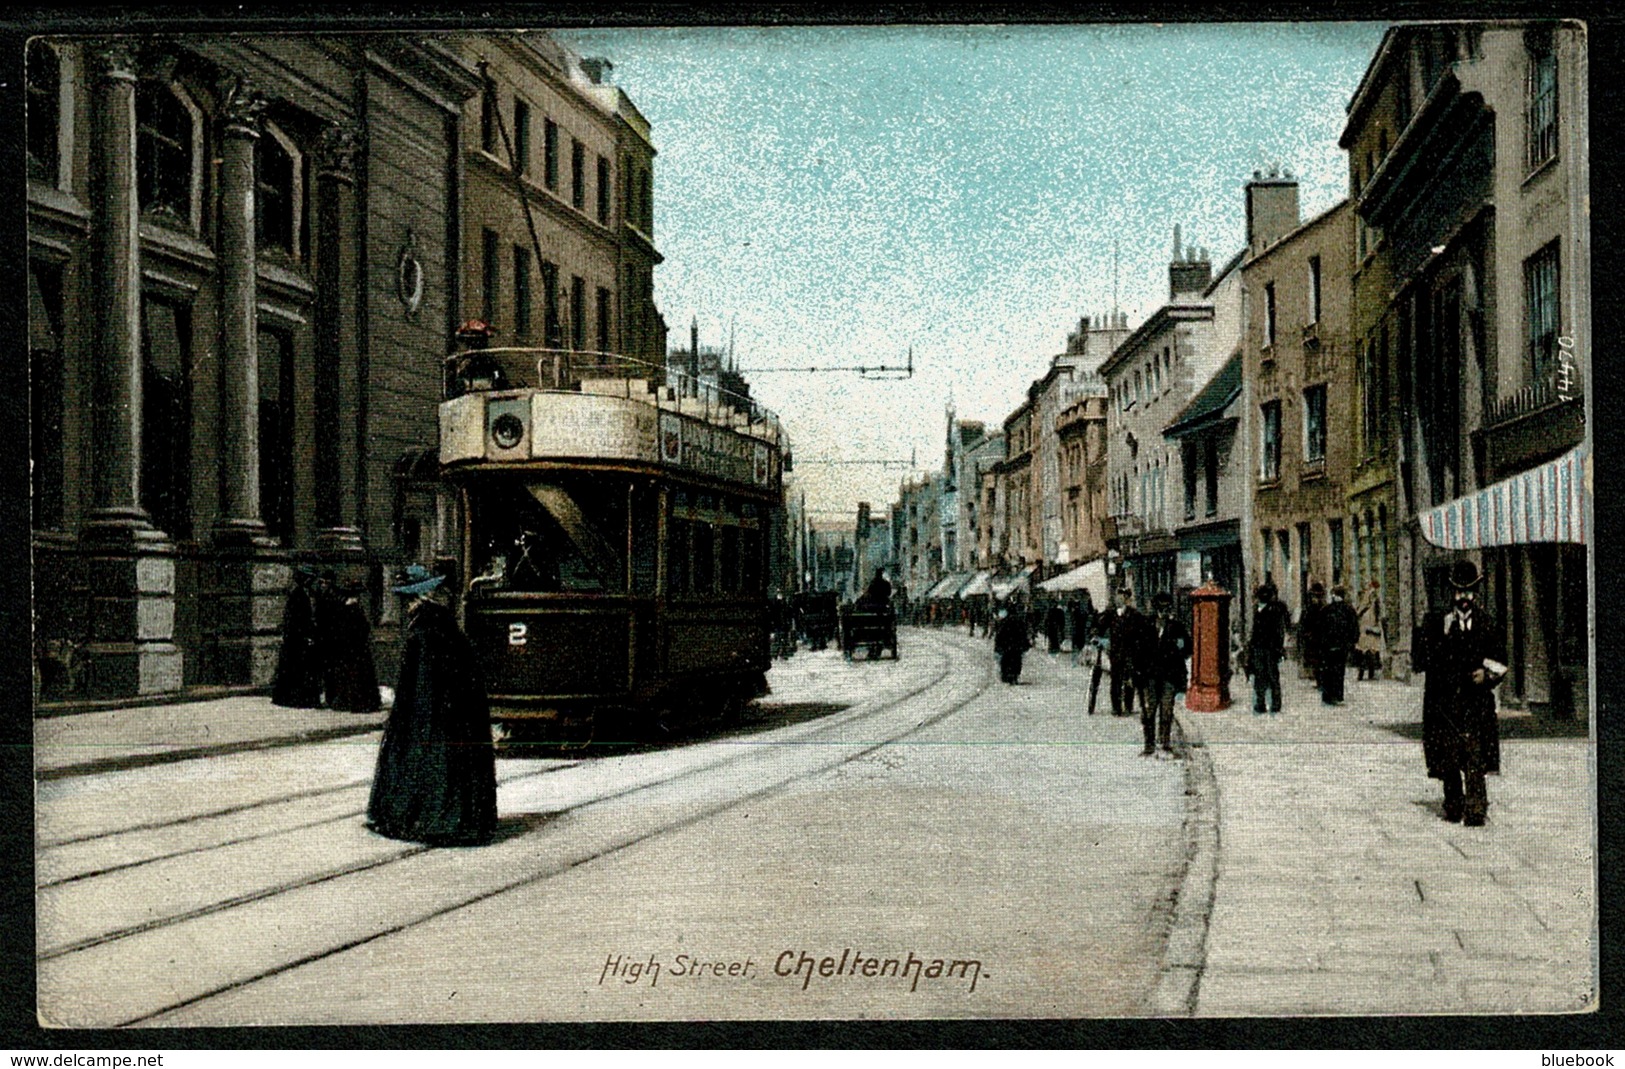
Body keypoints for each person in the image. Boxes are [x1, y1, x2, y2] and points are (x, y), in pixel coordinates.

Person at [366, 563, 498, 846]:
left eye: (406, 601)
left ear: (414, 600)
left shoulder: (422, 631)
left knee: (427, 762)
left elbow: (423, 685)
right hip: (457, 712)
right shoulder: (443, 622)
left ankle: (431, 819)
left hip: (433, 713)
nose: (405, 607)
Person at [1412, 559, 1506, 826]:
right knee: (1449, 756)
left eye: (1468, 592)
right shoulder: (1437, 622)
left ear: (1475, 593)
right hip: (1445, 703)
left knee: (1475, 755)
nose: (1463, 598)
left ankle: (1476, 808)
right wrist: (1437, 634)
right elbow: (1421, 661)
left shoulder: (1486, 623)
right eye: (1459, 592)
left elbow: (1500, 661)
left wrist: (1485, 676)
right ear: (1451, 593)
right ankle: (1453, 803)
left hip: (1475, 702)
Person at [322, 580, 382, 712]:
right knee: (358, 676)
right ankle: (360, 703)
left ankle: (347, 702)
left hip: (348, 647)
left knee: (348, 675)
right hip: (357, 648)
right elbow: (361, 628)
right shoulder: (354, 607)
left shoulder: (343, 607)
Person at [1143, 593, 1190, 758]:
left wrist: (1180, 649)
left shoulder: (1177, 627)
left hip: (1169, 675)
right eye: (1161, 608)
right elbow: (1140, 649)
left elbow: (1188, 649)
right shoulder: (1147, 625)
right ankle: (1149, 744)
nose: (1164, 611)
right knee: (1150, 711)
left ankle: (1164, 743)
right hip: (1151, 676)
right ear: (1156, 608)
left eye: (1166, 607)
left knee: (1166, 710)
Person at [271, 566, 324, 708]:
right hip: (297, 641)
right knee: (296, 671)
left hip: (304, 640)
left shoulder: (309, 594)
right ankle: (294, 699)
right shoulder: (297, 595)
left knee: (305, 671)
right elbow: (295, 620)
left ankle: (305, 699)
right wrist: (305, 636)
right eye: (309, 578)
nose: (311, 581)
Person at [1245, 583, 1290, 714]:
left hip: (1269, 649)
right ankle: (1261, 704)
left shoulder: (1273, 610)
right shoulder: (1258, 610)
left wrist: (1278, 648)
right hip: (1260, 648)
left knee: (1270, 677)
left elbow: (1278, 632)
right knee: (1261, 677)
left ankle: (1273, 704)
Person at [1107, 589, 1149, 717]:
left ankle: (1128, 706)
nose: (1117, 599)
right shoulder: (1111, 614)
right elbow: (1100, 625)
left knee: (1129, 679)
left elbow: (1143, 631)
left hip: (1130, 652)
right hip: (1115, 652)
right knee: (1115, 680)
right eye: (1117, 596)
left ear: (1126, 598)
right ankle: (1116, 707)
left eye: (1120, 596)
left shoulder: (1135, 615)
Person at [1318, 585, 1361, 706]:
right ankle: (1337, 694)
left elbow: (1320, 628)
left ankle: (1328, 695)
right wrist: (1352, 642)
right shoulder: (1349, 610)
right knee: (1339, 671)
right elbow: (1354, 628)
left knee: (1327, 670)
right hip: (1341, 645)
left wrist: (1321, 643)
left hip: (1328, 645)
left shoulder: (1327, 609)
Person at [1355, 579, 1386, 680]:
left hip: (1369, 628)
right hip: (1369, 628)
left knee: (1367, 652)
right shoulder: (1372, 599)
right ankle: (1367, 673)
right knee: (1369, 651)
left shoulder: (1371, 599)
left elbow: (1360, 611)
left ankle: (1364, 673)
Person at [993, 604, 1031, 684]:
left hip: (1007, 646)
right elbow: (1023, 634)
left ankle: (1007, 676)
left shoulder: (1004, 621)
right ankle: (1014, 676)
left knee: (1006, 661)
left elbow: (1000, 634)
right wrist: (1025, 644)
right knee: (1016, 661)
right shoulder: (1019, 621)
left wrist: (998, 646)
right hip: (1016, 646)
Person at [1298, 582, 1327, 682]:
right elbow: (1303, 623)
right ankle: (1316, 674)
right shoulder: (1308, 609)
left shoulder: (1323, 608)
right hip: (1312, 637)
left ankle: (1319, 676)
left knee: (1319, 658)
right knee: (1314, 658)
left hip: (1319, 637)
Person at [1070, 590, 1097, 668]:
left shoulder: (1087, 603)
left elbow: (1090, 613)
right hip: (1081, 626)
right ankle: (1083, 657)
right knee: (1082, 642)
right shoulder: (1078, 604)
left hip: (1084, 626)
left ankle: (1085, 658)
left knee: (1085, 641)